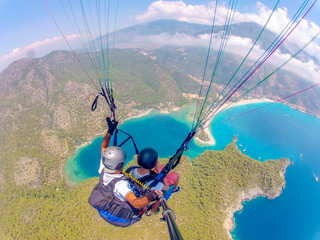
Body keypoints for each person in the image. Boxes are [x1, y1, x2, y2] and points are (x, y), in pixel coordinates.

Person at [88, 117, 162, 227]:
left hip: (107, 198)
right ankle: (153, 210)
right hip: (124, 209)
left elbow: (103, 147)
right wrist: (151, 197)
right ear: (120, 165)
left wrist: (110, 131)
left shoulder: (104, 167)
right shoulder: (120, 185)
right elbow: (136, 204)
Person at [126, 147, 180, 215]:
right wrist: (159, 171)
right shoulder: (154, 184)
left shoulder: (133, 169)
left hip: (140, 185)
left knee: (162, 166)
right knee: (176, 175)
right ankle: (174, 190)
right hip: (149, 188)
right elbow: (167, 187)